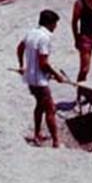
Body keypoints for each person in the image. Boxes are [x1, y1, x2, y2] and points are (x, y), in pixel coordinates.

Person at [16, 9, 69, 148]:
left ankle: (37, 134)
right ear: (50, 23)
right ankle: (56, 142)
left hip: (30, 78)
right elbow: (43, 63)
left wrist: (22, 65)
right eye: (55, 24)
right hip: (39, 81)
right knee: (50, 108)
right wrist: (57, 75)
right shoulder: (45, 38)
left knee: (40, 105)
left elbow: (20, 48)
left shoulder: (31, 33)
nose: (56, 27)